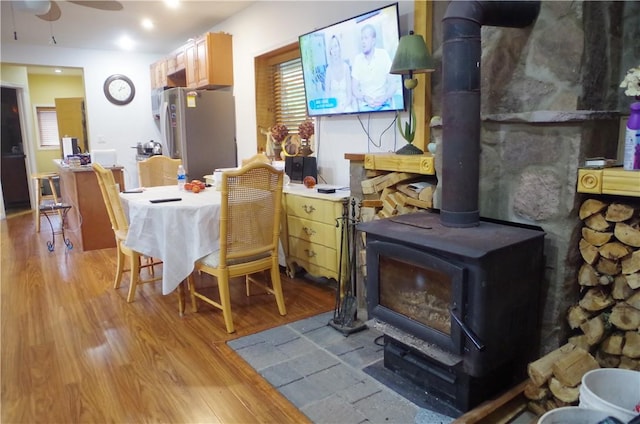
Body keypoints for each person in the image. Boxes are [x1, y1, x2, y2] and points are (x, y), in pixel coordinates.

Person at [351, 24, 398, 111]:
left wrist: (385, 97)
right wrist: (364, 98)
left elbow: (393, 84)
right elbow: (354, 89)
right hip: (365, 106)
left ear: (373, 41)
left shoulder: (383, 55)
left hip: (384, 105)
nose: (363, 41)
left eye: (366, 38)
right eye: (362, 38)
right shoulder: (357, 60)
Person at [325, 35, 354, 113]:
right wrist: (335, 108)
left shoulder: (346, 67)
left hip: (346, 106)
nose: (334, 50)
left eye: (335, 46)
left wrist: (343, 107)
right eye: (331, 48)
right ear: (330, 52)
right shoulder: (328, 70)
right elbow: (327, 95)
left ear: (339, 48)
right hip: (333, 108)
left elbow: (349, 95)